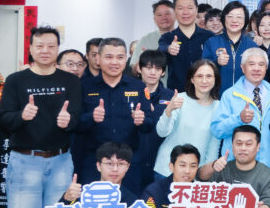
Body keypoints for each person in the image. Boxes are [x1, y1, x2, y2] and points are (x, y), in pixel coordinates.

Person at [0, 26, 82, 208]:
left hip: (61, 161)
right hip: (25, 162)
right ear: (31, 49)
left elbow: (77, 118)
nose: (45, 50)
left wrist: (68, 122)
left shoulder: (70, 81)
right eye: (40, 46)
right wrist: (21, 116)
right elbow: (4, 120)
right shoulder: (16, 80)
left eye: (51, 46)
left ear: (58, 49)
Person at [78, 38, 155, 194]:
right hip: (95, 162)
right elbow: (75, 124)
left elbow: (149, 124)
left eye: (120, 57)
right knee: (94, 206)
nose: (114, 62)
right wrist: (91, 117)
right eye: (109, 57)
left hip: (128, 162)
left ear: (126, 59)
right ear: (98, 59)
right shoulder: (85, 86)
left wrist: (142, 121)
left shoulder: (138, 86)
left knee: (129, 205)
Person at [210, 47, 270, 170]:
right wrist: (239, 119)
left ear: (266, 68)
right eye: (251, 64)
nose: (256, 69)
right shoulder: (230, 95)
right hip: (237, 166)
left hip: (268, 166)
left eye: (261, 64)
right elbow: (217, 130)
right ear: (243, 68)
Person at [153, 59, 221, 175]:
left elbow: (214, 146)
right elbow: (161, 132)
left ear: (215, 79)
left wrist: (207, 174)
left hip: (195, 173)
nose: (204, 80)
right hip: (167, 170)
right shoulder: (179, 99)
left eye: (209, 76)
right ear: (192, 79)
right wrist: (168, 110)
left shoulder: (219, 107)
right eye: (199, 76)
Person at [159, 0, 214, 92]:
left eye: (190, 8)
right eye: (180, 8)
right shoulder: (167, 38)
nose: (185, 12)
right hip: (177, 94)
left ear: (196, 10)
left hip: (206, 94)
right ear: (174, 11)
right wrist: (168, 49)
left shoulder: (209, 37)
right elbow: (160, 51)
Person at [201, 1, 258, 97]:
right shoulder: (212, 42)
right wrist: (217, 62)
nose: (234, 20)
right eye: (230, 16)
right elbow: (203, 70)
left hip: (244, 99)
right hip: (216, 98)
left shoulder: (252, 46)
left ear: (245, 20)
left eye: (239, 17)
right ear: (224, 19)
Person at [137, 49, 173, 188]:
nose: (153, 72)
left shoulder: (171, 96)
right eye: (148, 68)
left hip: (160, 160)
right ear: (139, 69)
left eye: (157, 69)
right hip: (134, 158)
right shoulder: (130, 93)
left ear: (163, 72)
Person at [130, 0, 175, 71]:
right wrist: (141, 62)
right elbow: (133, 70)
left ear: (176, 15)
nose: (164, 17)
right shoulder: (145, 40)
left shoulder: (183, 37)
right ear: (154, 19)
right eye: (159, 15)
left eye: (167, 14)